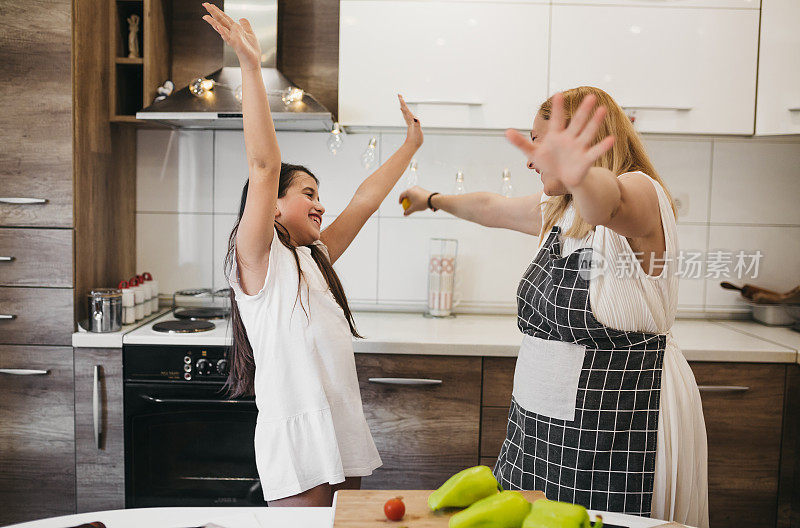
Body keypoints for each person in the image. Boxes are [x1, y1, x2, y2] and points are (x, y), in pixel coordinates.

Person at [400, 86, 708, 526]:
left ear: (577, 146)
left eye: (538, 141)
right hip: (539, 424)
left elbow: (609, 202)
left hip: (618, 421)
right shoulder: (559, 212)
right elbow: (493, 206)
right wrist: (432, 200)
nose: (529, 159)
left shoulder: (640, 192)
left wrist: (579, 173)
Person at [201, 3, 424, 506]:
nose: (320, 203)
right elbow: (263, 163)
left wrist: (411, 146)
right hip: (299, 440)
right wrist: (252, 68)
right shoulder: (256, 259)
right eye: (307, 192)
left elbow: (365, 201)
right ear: (274, 205)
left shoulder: (314, 259)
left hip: (340, 426)